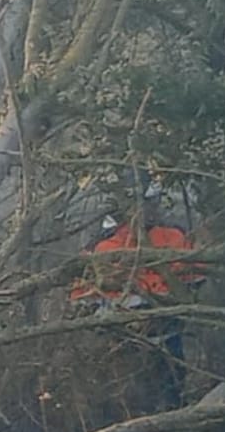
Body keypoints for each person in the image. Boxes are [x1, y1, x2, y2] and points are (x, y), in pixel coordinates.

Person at [68, 174, 204, 415]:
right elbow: (85, 296)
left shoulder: (173, 237)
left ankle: (173, 411)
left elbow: (193, 281)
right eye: (145, 203)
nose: (150, 209)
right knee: (121, 384)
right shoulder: (105, 246)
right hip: (120, 328)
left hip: (166, 322)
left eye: (153, 202)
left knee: (172, 368)